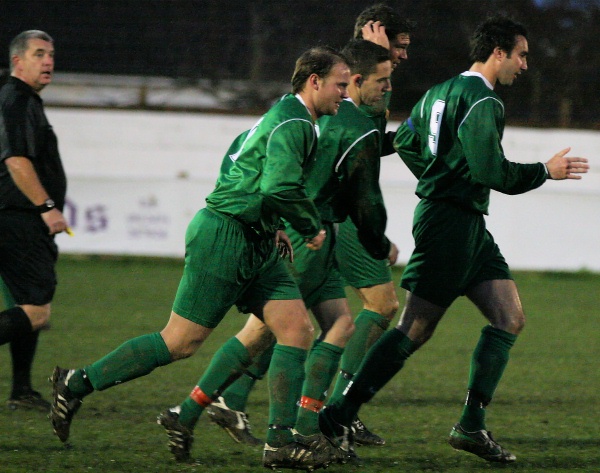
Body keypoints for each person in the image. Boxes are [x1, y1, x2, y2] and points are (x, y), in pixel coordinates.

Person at [49, 46, 349, 467]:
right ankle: (76, 383)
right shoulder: (295, 122)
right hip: (226, 237)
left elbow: (241, 166)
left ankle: (280, 442)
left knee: (297, 329)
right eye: (340, 83)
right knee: (179, 342)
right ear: (314, 81)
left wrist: (274, 223)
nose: (345, 92)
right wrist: (307, 225)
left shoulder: (284, 114)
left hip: (258, 239)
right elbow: (279, 186)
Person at [319, 15, 589, 464]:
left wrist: (437, 177)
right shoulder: (483, 101)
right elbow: (491, 172)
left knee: (509, 317)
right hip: (450, 224)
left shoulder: (438, 92)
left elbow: (406, 141)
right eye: (521, 55)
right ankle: (338, 413)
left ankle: (470, 425)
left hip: (464, 225)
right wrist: (545, 171)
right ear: (498, 52)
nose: (524, 65)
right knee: (414, 328)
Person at [161, 39, 397, 471]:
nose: (387, 87)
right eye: (383, 80)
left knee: (337, 324)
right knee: (265, 334)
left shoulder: (323, 114)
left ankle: (303, 428)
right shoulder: (342, 121)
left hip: (317, 230)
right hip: (306, 231)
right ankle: (195, 411)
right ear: (355, 80)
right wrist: (374, 241)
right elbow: (357, 188)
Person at [205, 4, 415, 449]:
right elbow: (365, 141)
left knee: (300, 319)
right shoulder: (347, 90)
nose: (402, 55)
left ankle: (241, 400)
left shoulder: (347, 87)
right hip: (326, 219)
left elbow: (368, 140)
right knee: (362, 308)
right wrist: (373, 232)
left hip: (328, 219)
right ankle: (333, 410)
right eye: (397, 46)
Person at [0, 30, 69, 412]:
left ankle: (22, 390)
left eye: (51, 54)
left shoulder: (22, 100)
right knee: (36, 311)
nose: (48, 61)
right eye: (39, 54)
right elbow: (15, 160)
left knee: (29, 306)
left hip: (18, 216)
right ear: (17, 62)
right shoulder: (16, 99)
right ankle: (21, 390)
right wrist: (46, 206)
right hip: (18, 218)